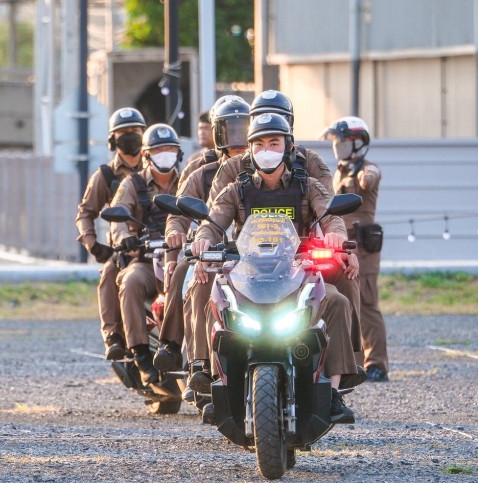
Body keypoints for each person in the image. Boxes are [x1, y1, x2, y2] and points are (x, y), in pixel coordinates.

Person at [189, 113, 359, 423]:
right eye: (259, 144)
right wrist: (203, 240)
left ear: (288, 147)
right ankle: (216, 384)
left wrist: (335, 234)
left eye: (274, 143)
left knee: (336, 300)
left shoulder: (309, 186)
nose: (266, 150)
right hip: (248, 272)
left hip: (298, 271)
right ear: (250, 149)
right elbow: (213, 222)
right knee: (215, 298)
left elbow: (331, 215)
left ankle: (333, 392)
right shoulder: (235, 189)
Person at [154, 97, 251, 381]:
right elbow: (179, 209)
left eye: (242, 129)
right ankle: (177, 348)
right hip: (210, 249)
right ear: (218, 133)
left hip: (254, 252)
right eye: (229, 130)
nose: (237, 138)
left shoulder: (264, 170)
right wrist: (175, 233)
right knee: (186, 272)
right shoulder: (201, 169)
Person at [110, 123, 182, 386]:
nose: (165, 154)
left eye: (170, 149)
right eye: (159, 150)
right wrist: (124, 238)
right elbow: (117, 217)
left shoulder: (189, 180)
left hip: (185, 258)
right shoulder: (132, 183)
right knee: (129, 281)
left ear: (178, 153)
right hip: (148, 260)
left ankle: (205, 361)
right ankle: (141, 355)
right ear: (146, 154)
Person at [75, 107, 146, 360]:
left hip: (159, 243)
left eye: (135, 131)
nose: (130, 136)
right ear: (112, 139)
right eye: (123, 133)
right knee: (109, 273)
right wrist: (93, 245)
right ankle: (114, 336)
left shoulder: (158, 168)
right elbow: (85, 212)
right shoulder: (105, 175)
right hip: (124, 246)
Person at [323, 116, 389, 382]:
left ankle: (377, 364)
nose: (337, 146)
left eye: (342, 141)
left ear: (359, 143)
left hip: (363, 246)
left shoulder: (368, 168)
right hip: (342, 247)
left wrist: (364, 175)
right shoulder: (339, 171)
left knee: (367, 306)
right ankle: (354, 363)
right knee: (344, 303)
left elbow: (369, 179)